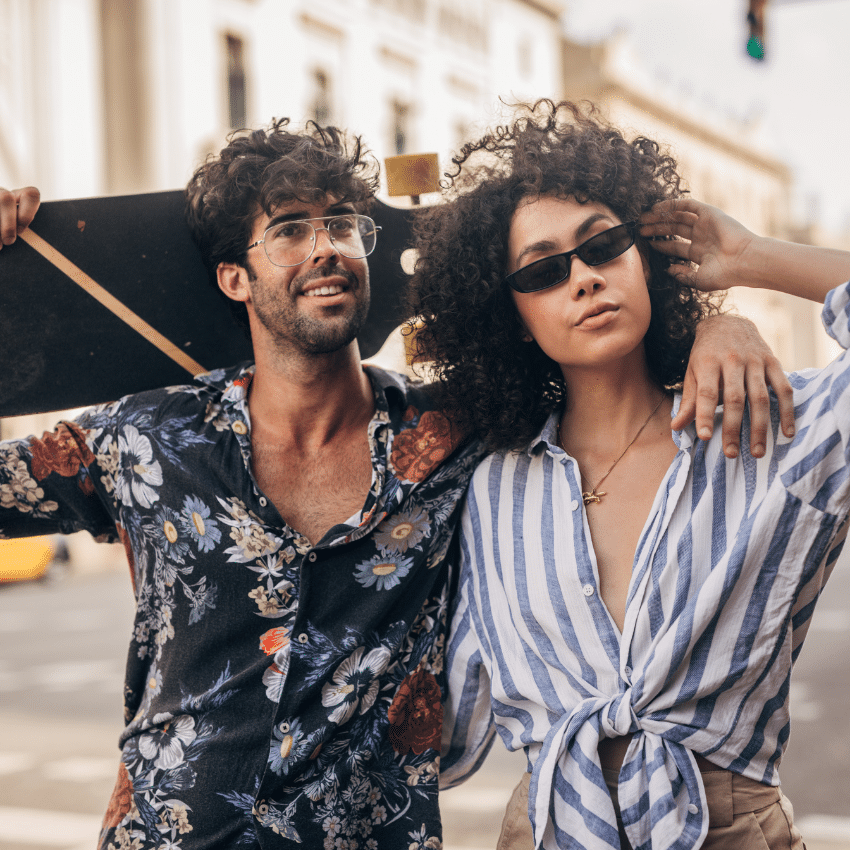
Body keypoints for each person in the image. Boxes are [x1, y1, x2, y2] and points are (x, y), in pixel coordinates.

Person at [0, 117, 790, 850]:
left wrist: (720, 327)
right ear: (236, 279)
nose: (327, 248)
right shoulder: (146, 438)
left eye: (342, 224)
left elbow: (604, 375)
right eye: (290, 230)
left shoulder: (457, 432)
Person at [409, 100, 850, 850]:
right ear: (514, 317)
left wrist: (748, 264)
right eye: (545, 270)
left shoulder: (771, 426)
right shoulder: (489, 486)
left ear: (643, 260)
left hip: (729, 829)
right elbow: (446, 722)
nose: (582, 278)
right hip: (546, 828)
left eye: (604, 245)